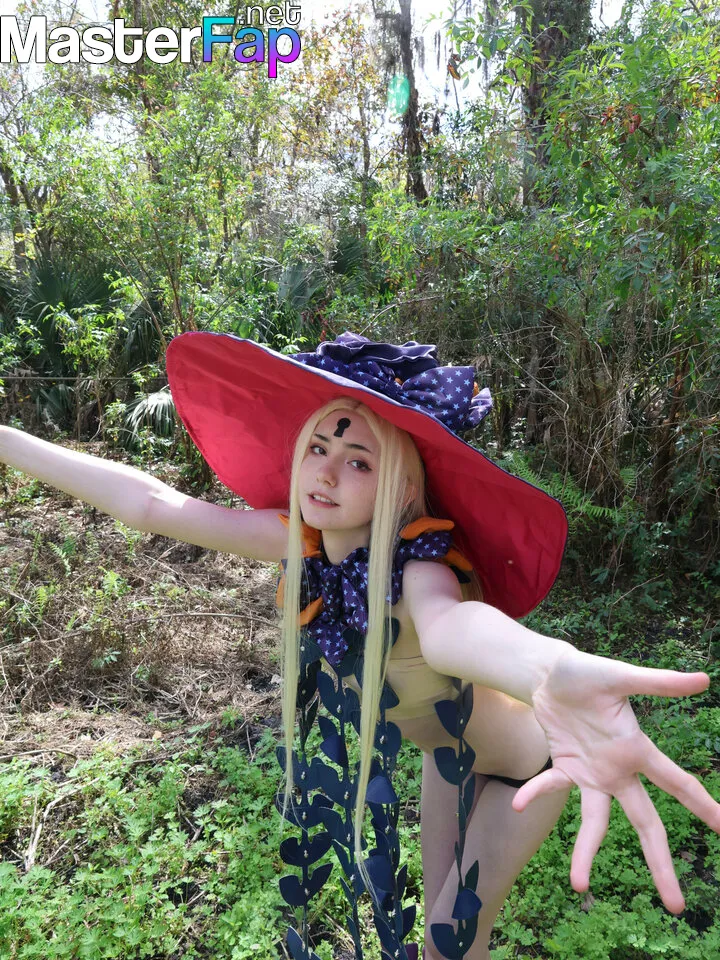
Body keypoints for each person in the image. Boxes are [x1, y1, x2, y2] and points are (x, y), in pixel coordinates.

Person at [1, 331, 718, 960]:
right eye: (318, 448)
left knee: (448, 943)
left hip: (524, 770)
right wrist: (9, 440)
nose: (326, 471)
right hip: (449, 759)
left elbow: (453, 630)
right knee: (436, 935)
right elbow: (153, 503)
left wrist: (551, 665)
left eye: (359, 461)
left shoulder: (420, 567)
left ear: (402, 489)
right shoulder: (299, 542)